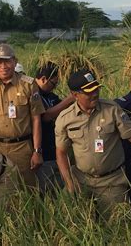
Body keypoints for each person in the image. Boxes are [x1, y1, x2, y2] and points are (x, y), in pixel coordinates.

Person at [55, 69, 131, 218]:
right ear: (75, 95)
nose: (94, 94)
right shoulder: (65, 118)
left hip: (112, 181)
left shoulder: (112, 109)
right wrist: (69, 182)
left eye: (96, 89)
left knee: (116, 225)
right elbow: (61, 153)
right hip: (81, 179)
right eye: (89, 92)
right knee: (68, 217)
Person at [0, 44, 45, 187]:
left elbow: (36, 119)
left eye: (7, 61)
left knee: (27, 189)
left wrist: (37, 151)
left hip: (21, 148)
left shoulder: (28, 85)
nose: (3, 66)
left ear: (15, 62)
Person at [34, 62, 74, 193]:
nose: (54, 87)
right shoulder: (33, 94)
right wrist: (69, 99)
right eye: (53, 83)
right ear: (44, 79)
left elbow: (61, 110)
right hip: (42, 151)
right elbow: (45, 116)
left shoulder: (50, 96)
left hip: (55, 149)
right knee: (45, 189)